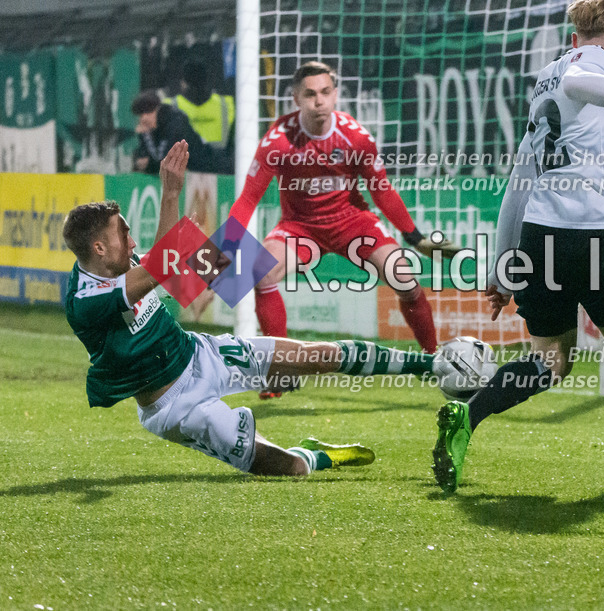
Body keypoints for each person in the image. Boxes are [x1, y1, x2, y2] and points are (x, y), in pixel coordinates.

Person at [431, 0, 604, 493]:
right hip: (597, 234)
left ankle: (468, 417)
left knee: (550, 360)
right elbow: (584, 81)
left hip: (539, 237)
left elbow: (519, 179)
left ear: (573, 36)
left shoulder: (545, 82)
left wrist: (501, 269)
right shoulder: (591, 71)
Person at [63, 140, 450, 477]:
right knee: (287, 469)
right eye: (124, 233)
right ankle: (315, 455)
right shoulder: (87, 301)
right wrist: (170, 194)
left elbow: (169, 266)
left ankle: (432, 364)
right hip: (177, 405)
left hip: (203, 353)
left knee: (318, 354)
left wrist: (218, 264)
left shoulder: (127, 265)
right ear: (98, 248)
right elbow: (162, 267)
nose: (132, 242)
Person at [228, 62, 458, 397]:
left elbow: (382, 191)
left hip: (352, 222)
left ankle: (431, 359)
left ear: (335, 95)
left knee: (404, 278)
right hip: (300, 227)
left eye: (325, 92)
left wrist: (414, 236)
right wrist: (228, 243)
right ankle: (279, 372)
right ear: (295, 98)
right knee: (262, 272)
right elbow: (249, 197)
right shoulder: (278, 142)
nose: (318, 101)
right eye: (310, 94)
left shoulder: (356, 138)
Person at [168, 59, 235, 174]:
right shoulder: (227, 104)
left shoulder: (172, 105)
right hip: (222, 168)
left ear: (183, 82)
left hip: (187, 169)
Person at [131, 91, 216, 174]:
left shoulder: (176, 123)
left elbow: (170, 162)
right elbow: (143, 159)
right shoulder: (151, 130)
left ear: (157, 109)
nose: (143, 119)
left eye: (147, 112)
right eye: (140, 115)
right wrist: (144, 136)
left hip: (206, 172)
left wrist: (149, 164)